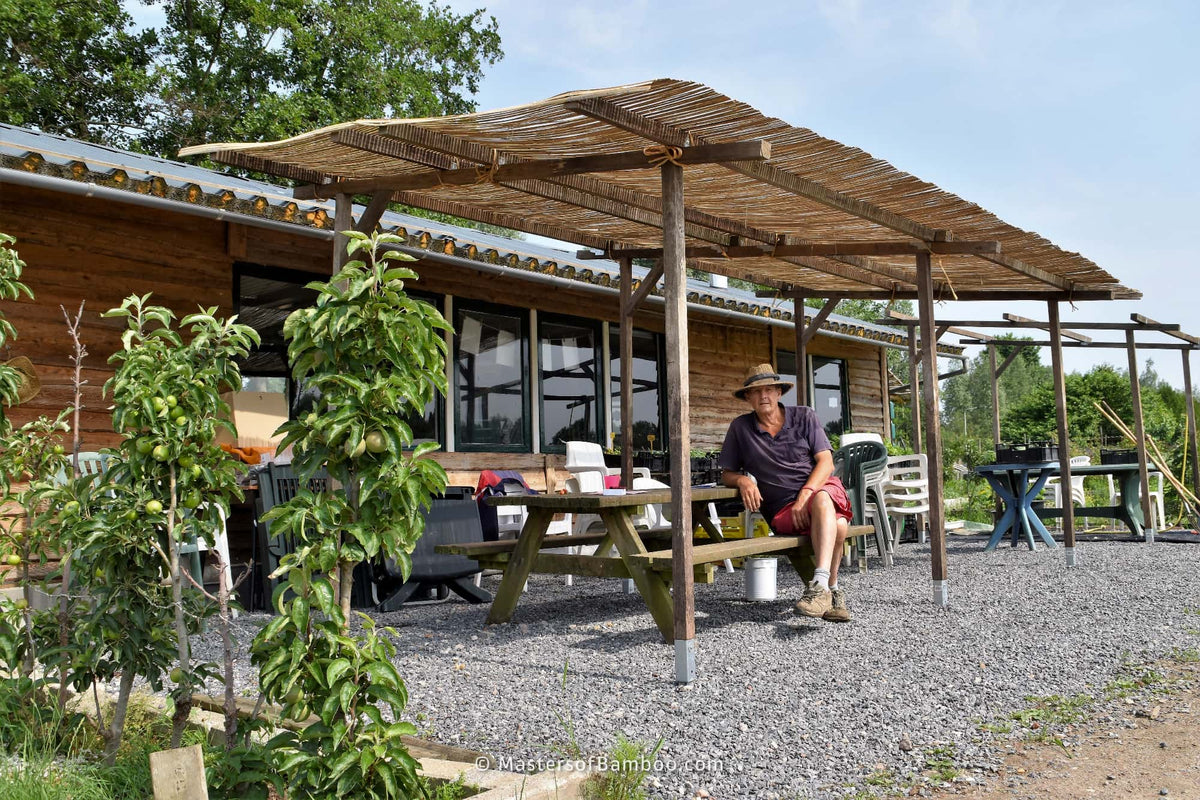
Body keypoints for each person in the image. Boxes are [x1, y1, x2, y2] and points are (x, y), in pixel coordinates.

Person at [718, 363, 854, 622]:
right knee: (839, 525)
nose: (763, 396)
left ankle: (819, 585)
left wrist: (805, 495)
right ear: (747, 397)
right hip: (783, 508)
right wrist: (744, 481)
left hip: (819, 489)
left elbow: (826, 462)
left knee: (823, 501)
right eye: (756, 392)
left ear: (779, 393)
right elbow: (726, 473)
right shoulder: (740, 428)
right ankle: (833, 592)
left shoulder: (804, 416)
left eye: (769, 389)